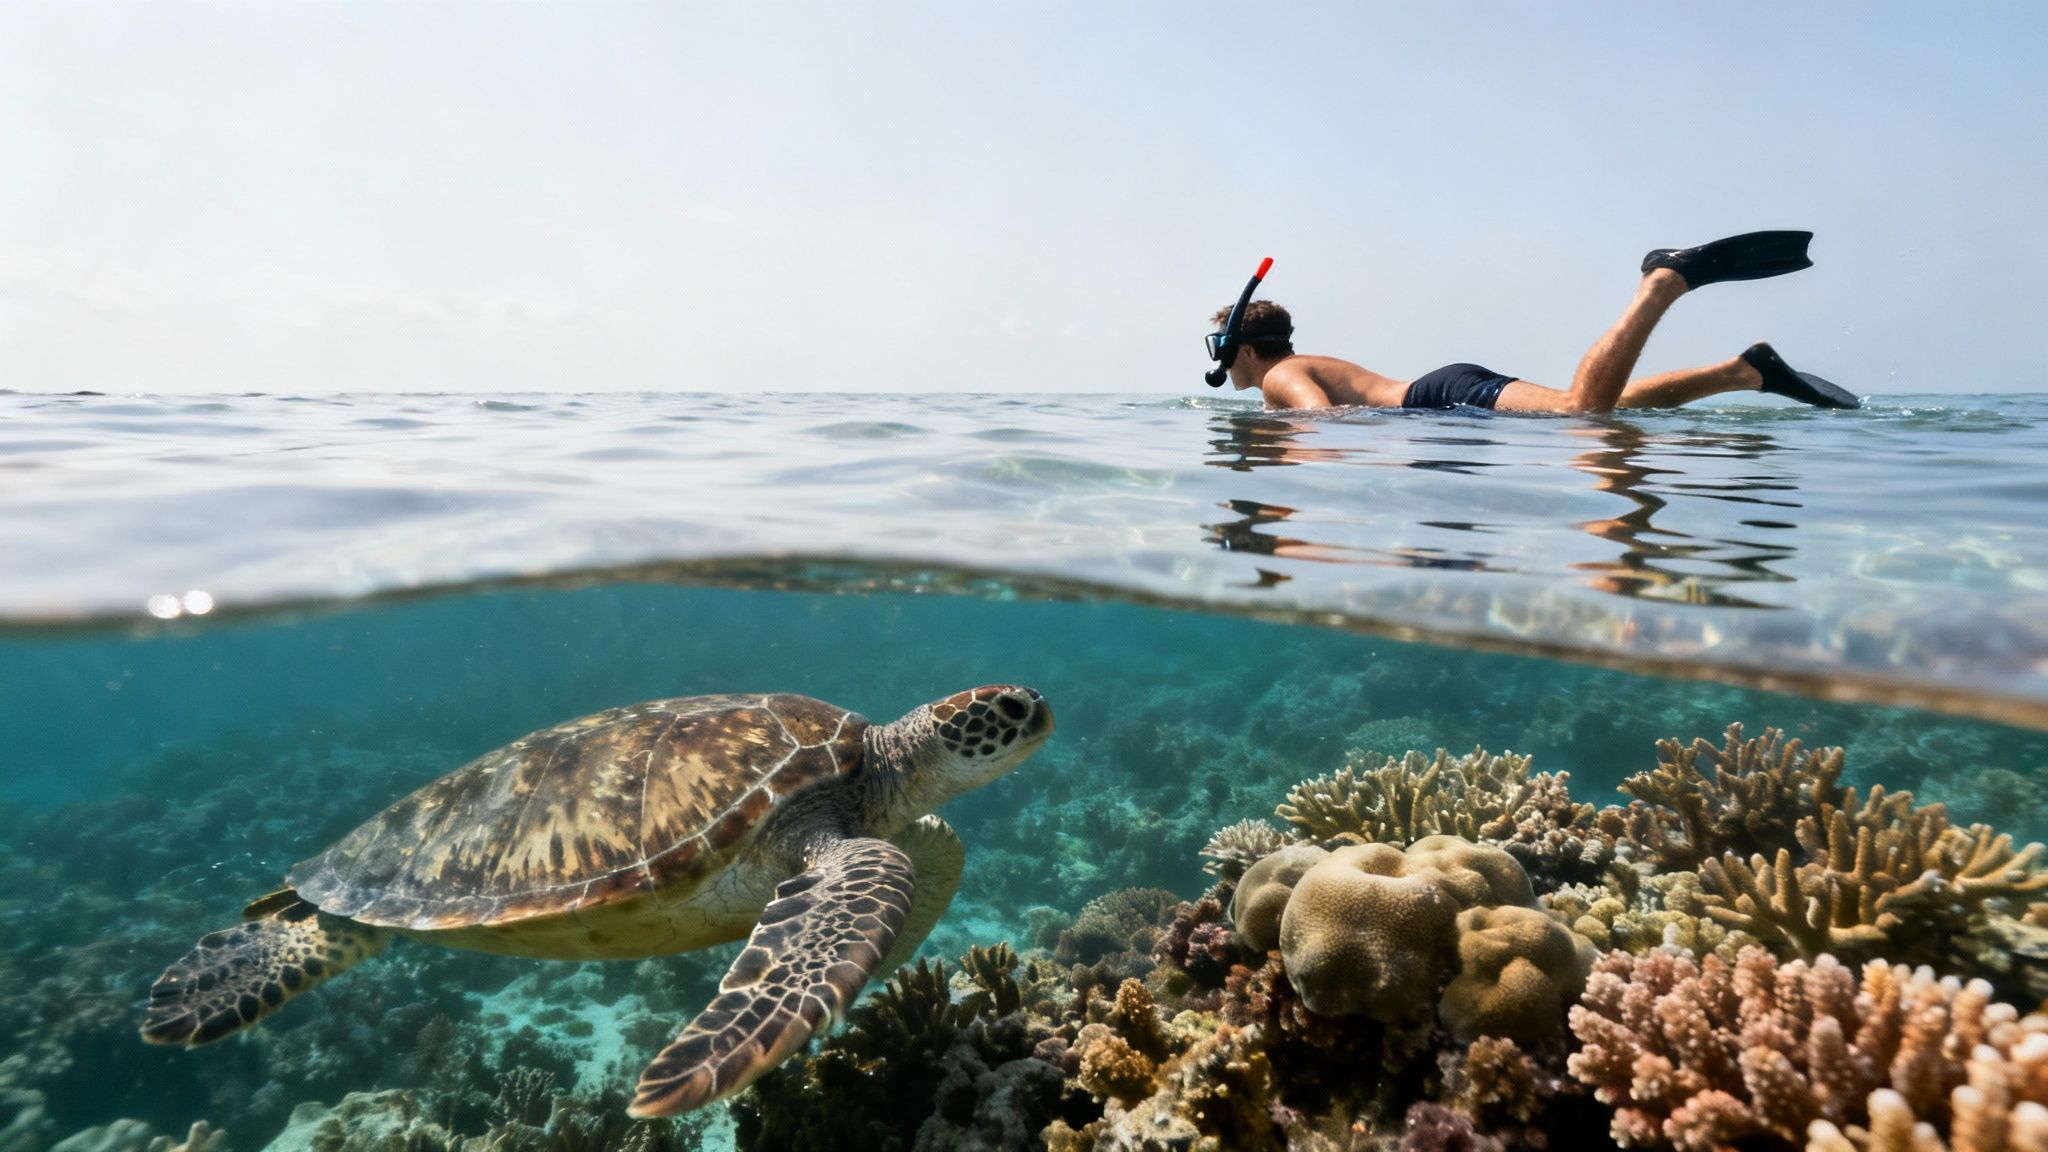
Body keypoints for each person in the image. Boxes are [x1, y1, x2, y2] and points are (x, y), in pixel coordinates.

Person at [1205, 231, 1861, 413]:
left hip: (1441, 401)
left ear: (1242, 347)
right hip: (1447, 390)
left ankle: (1660, 283)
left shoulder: (1278, 379)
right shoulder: (1301, 362)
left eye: (1219, 344)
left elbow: (1318, 422)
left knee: (1584, 412)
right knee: (1603, 406)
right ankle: (1743, 373)